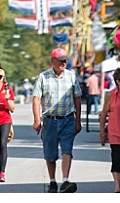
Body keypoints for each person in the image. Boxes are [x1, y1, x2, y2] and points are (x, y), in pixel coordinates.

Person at [32, 47, 82, 194]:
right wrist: (37, 120)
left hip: (67, 119)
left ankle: (65, 180)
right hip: (49, 121)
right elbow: (36, 99)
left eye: (65, 60)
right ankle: (52, 181)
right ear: (53, 61)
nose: (63, 63)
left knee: (67, 150)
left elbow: (77, 98)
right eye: (60, 60)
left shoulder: (71, 76)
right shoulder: (43, 77)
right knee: (50, 153)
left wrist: (78, 121)